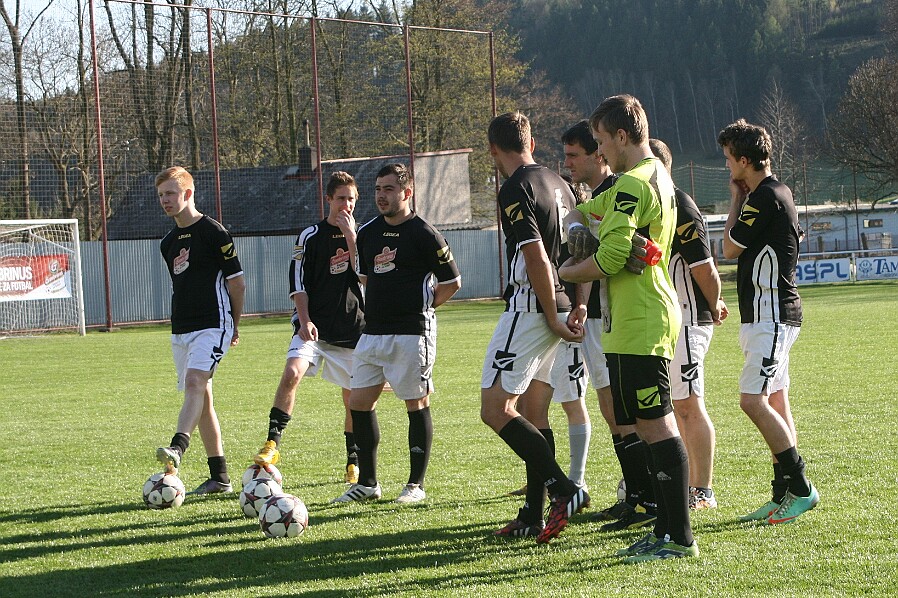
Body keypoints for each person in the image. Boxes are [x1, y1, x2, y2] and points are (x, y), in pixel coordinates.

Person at [560, 95, 696, 562]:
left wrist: (567, 271)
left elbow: (613, 258)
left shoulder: (632, 185)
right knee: (643, 422)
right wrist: (577, 224)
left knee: (656, 424)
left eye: (601, 143)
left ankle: (678, 537)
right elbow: (582, 212)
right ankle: (662, 529)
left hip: (642, 319)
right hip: (632, 319)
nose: (600, 153)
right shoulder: (654, 176)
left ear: (621, 137)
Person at [480, 111, 589, 544]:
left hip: (532, 308)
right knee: (533, 412)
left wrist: (548, 313)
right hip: (560, 305)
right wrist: (574, 305)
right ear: (531, 140)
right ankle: (532, 512)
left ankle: (563, 490)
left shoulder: (515, 187)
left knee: (495, 409)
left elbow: (537, 258)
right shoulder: (560, 183)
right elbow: (582, 250)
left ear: (493, 149)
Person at [331, 163, 461, 504]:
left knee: (415, 403)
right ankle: (369, 484)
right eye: (377, 190)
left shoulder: (424, 233)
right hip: (373, 333)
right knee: (359, 403)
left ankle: (415, 485)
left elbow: (452, 282)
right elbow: (364, 276)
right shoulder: (370, 231)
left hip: (412, 333)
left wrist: (424, 306)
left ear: (407, 192)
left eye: (388, 189)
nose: (381, 196)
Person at [718, 119, 819, 524]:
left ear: (745, 161)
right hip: (769, 315)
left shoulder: (762, 197)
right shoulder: (778, 191)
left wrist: (733, 200)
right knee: (775, 400)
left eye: (729, 160)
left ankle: (801, 488)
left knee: (752, 400)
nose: (727, 168)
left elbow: (727, 247)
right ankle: (783, 494)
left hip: (771, 315)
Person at [563, 120, 659, 530]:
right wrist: (575, 227)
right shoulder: (596, 197)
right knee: (613, 409)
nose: (568, 164)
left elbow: (624, 255)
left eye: (575, 155)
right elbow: (576, 223)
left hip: (621, 315)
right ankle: (636, 495)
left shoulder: (622, 191)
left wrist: (575, 281)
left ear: (600, 153)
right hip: (604, 314)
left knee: (627, 412)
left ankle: (646, 498)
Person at [253, 172, 365, 485]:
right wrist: (304, 321)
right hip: (312, 327)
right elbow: (298, 283)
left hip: (352, 329)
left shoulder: (361, 234)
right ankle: (272, 444)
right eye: (341, 198)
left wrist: (352, 237)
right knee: (291, 374)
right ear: (328, 199)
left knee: (353, 400)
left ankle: (352, 461)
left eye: (351, 199)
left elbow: (366, 275)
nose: (346, 204)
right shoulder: (310, 236)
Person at [155, 166, 246, 495]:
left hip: (214, 323)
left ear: (188, 194)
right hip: (181, 328)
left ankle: (177, 446)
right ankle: (219, 477)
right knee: (202, 396)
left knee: (196, 381)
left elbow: (237, 283)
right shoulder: (167, 243)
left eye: (171, 193)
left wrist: (234, 323)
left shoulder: (214, 232)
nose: (165, 200)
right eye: (162, 195)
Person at [649, 138, 728, 510]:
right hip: (667, 320)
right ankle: (684, 485)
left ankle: (703, 490)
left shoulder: (680, 203)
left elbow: (703, 265)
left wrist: (715, 304)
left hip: (690, 318)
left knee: (689, 404)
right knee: (675, 405)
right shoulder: (654, 202)